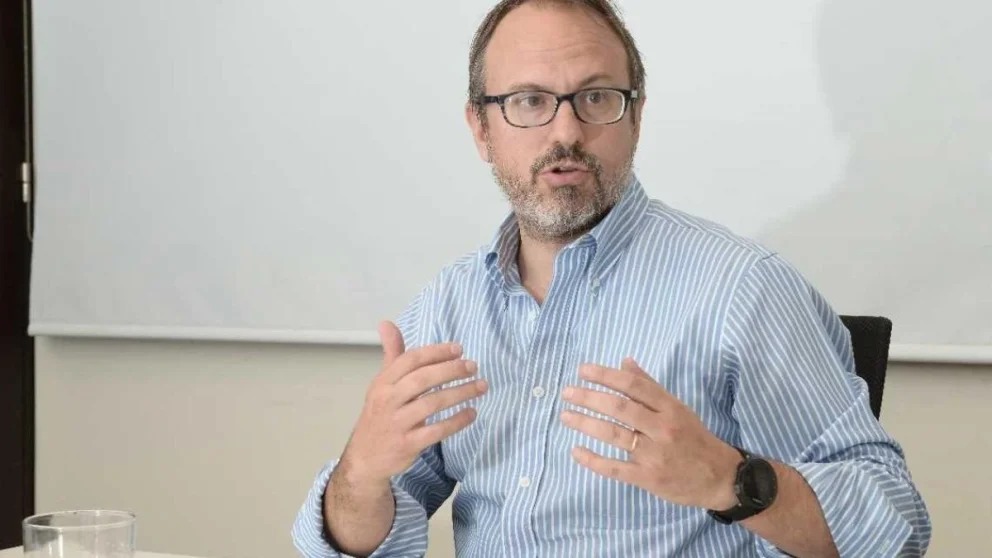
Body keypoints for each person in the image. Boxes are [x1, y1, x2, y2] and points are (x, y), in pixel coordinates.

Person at [293, 1, 932, 556]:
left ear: (636, 118)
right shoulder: (447, 306)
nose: (566, 132)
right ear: (481, 130)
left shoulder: (744, 290)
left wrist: (727, 478)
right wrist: (362, 471)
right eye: (529, 101)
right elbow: (352, 541)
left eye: (596, 98)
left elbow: (895, 526)